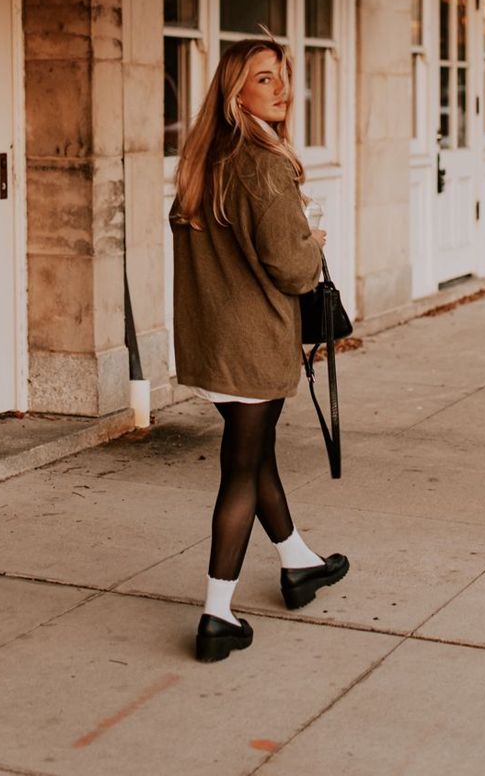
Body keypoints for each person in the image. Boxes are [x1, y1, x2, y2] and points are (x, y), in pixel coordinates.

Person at [170, 35, 350, 663]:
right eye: (266, 79)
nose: (282, 89)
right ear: (235, 93)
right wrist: (312, 234)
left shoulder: (203, 161)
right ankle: (216, 614)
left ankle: (298, 564)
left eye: (283, 77)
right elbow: (294, 270)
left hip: (215, 343)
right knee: (241, 471)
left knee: (257, 454)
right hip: (249, 345)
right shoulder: (264, 165)